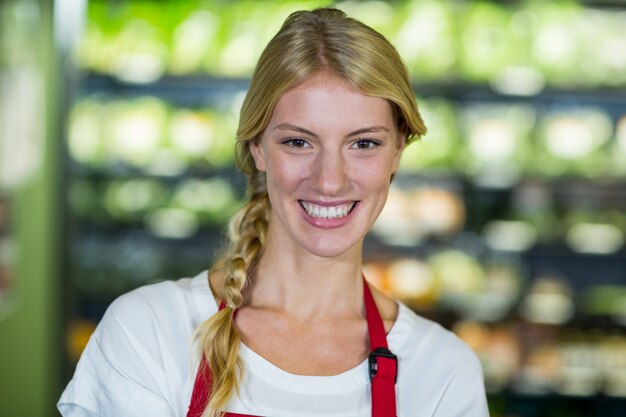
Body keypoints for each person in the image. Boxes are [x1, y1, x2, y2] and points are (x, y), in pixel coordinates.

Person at [58, 7, 489, 417]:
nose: (330, 181)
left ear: (398, 151)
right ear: (257, 147)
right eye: (298, 142)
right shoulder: (148, 332)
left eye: (364, 143)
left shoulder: (443, 374)